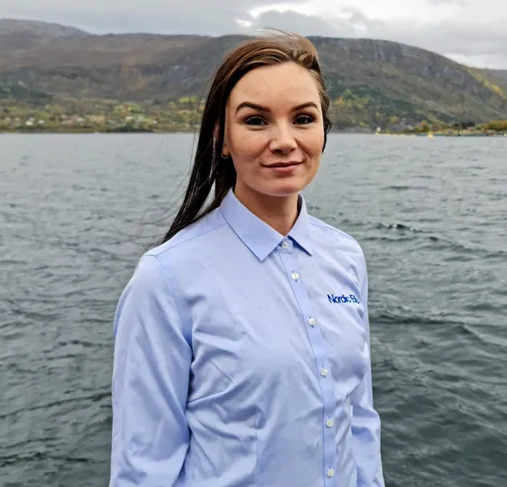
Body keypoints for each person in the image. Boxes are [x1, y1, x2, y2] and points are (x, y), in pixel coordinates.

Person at [109, 33, 384, 486]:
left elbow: (360, 418)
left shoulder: (345, 257)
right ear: (222, 138)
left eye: (303, 118)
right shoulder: (167, 279)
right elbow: (143, 468)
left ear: (323, 131)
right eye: (256, 121)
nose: (284, 141)